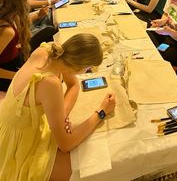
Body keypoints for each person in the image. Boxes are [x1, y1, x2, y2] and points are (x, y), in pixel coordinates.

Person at [0, 34, 116, 180]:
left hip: (13, 122)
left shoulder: (48, 49)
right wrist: (101, 112)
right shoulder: (50, 82)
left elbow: (74, 86)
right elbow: (65, 144)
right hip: (18, 140)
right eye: (87, 69)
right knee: (84, 165)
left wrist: (60, 116)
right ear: (79, 67)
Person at [0, 0, 31, 92]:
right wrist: (18, 76)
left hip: (16, 62)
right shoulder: (7, 31)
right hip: (7, 75)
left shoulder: (13, 17)